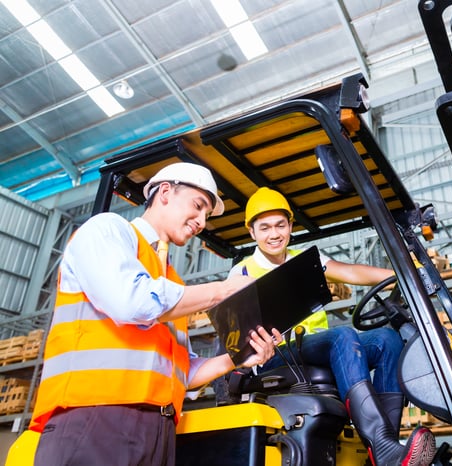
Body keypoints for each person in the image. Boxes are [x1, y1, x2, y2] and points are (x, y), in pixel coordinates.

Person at [29, 163, 282, 466]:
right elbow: (130, 303)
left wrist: (240, 357)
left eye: (206, 215)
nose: (201, 221)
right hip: (95, 418)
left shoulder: (172, 284)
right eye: (198, 206)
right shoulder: (107, 230)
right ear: (165, 192)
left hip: (159, 429)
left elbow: (182, 372)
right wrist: (223, 291)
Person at [228, 187, 437, 466]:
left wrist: (403, 276)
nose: (274, 234)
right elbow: (235, 332)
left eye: (280, 225)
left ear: (290, 226)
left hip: (315, 347)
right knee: (343, 335)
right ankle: (380, 442)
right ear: (252, 232)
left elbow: (350, 271)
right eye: (264, 228)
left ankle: (384, 449)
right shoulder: (241, 273)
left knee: (387, 339)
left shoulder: (304, 260)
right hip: (273, 354)